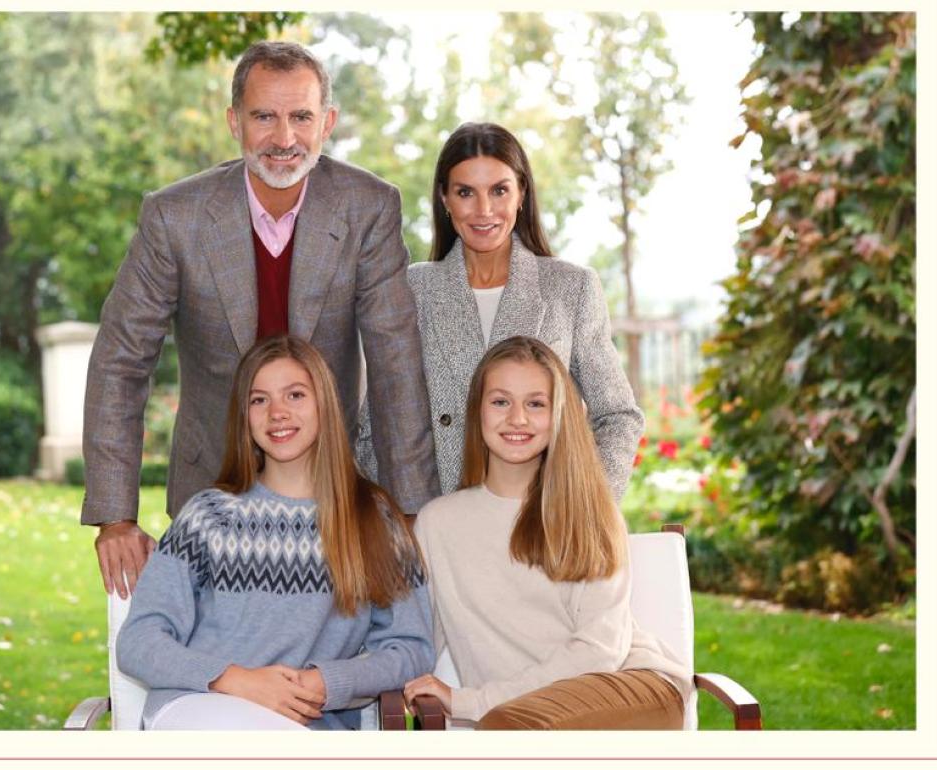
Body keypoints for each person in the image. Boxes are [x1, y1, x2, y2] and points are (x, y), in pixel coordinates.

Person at [83, 41, 439, 599]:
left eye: (301, 117)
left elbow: (396, 360)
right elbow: (120, 361)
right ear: (235, 122)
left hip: (332, 489)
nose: (284, 138)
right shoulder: (174, 217)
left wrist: (412, 510)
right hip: (211, 486)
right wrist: (115, 516)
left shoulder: (368, 207)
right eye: (264, 117)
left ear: (327, 123)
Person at [117, 335, 433, 730]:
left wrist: (327, 682)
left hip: (306, 724)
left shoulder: (373, 519)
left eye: (295, 395)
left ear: (325, 405)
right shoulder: (208, 516)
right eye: (259, 400)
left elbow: (411, 649)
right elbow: (139, 641)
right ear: (244, 416)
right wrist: (237, 681)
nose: (277, 413)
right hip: (200, 708)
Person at [403, 337, 690, 729]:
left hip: (632, 686)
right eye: (500, 401)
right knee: (509, 729)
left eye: (535, 404)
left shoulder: (590, 511)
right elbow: (416, 639)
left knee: (507, 730)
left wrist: (473, 701)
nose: (517, 418)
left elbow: (600, 651)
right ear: (478, 411)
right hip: (519, 715)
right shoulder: (438, 524)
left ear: (558, 414)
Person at [358, 122, 642, 497]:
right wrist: (407, 516)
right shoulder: (412, 290)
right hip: (439, 519)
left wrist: (584, 508)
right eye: (465, 192)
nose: (484, 210)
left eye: (499, 190)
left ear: (521, 192)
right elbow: (375, 426)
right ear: (444, 198)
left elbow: (617, 415)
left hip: (543, 517)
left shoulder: (571, 288)